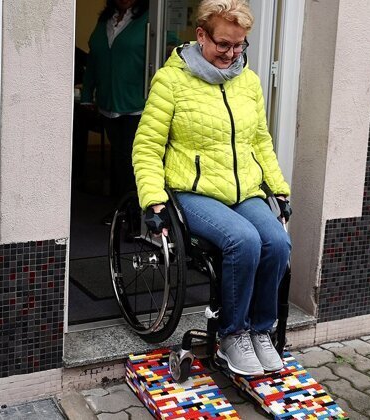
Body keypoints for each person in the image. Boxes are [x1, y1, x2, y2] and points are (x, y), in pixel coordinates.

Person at [132, 0, 292, 376]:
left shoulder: (248, 82)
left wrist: (279, 189)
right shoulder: (171, 80)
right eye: (223, 44)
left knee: (277, 242)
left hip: (243, 190)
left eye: (239, 46)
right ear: (201, 35)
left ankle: (260, 329)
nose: (231, 54)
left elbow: (260, 141)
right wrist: (153, 200)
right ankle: (231, 335)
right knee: (244, 240)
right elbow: (147, 146)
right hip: (193, 191)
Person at [81, 0, 149, 223]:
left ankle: (136, 216)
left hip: (137, 106)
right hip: (109, 103)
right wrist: (86, 94)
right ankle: (125, 210)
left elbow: (170, 49)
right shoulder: (105, 20)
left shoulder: (148, 19)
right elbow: (94, 60)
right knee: (120, 160)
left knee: (132, 162)